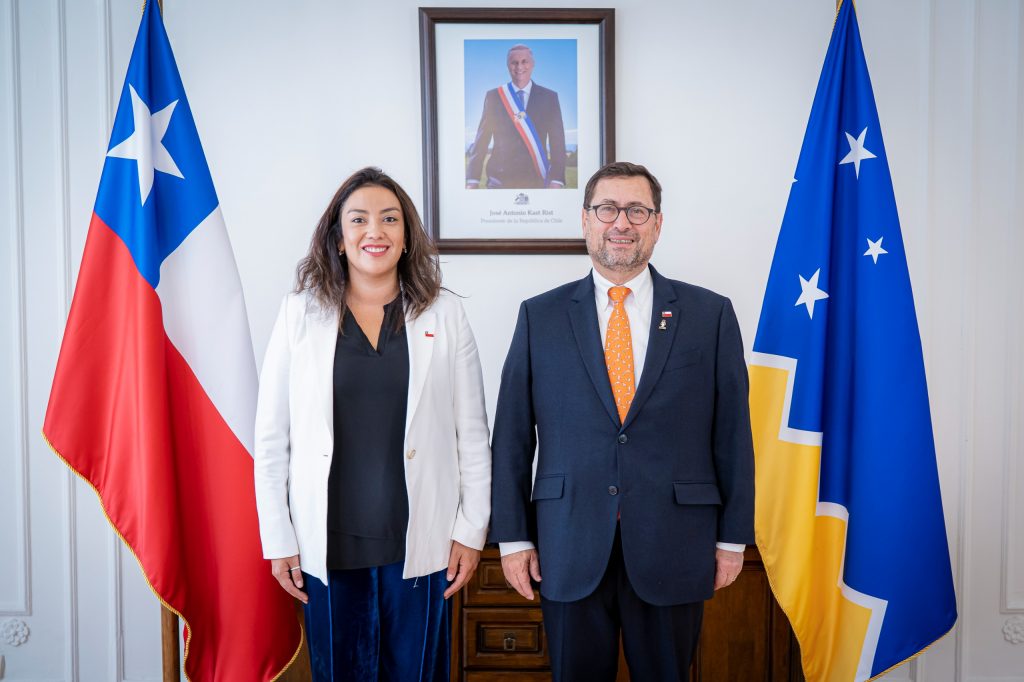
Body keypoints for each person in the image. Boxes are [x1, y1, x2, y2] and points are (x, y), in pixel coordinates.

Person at [488, 162, 755, 681]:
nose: (621, 223)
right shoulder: (539, 316)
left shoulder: (710, 314)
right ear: (585, 220)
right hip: (567, 543)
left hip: (675, 542)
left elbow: (733, 437)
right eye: (607, 209)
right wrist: (514, 539)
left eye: (637, 210)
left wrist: (732, 539)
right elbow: (513, 438)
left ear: (658, 223)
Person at [254, 167, 491, 682]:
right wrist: (278, 538)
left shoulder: (445, 314)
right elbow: (272, 438)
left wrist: (472, 531)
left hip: (422, 545)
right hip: (327, 545)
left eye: (389, 219)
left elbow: (472, 434)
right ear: (339, 239)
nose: (374, 231)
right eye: (358, 220)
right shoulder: (299, 315)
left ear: (406, 238)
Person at [466, 44, 567, 190]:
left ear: (533, 64)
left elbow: (558, 142)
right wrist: (472, 179)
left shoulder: (549, 97)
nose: (519, 67)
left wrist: (557, 179)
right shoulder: (494, 96)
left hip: (537, 180)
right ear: (508, 65)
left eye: (525, 61)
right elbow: (481, 139)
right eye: (514, 62)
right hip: (499, 181)